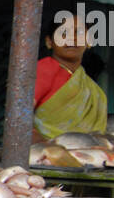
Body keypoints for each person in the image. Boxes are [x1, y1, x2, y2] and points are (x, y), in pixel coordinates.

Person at [32, 12, 107, 140]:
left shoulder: (94, 90)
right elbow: (18, 119)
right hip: (43, 154)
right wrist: (50, 148)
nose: (72, 38)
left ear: (89, 42)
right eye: (64, 33)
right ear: (49, 42)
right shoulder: (44, 69)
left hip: (86, 154)